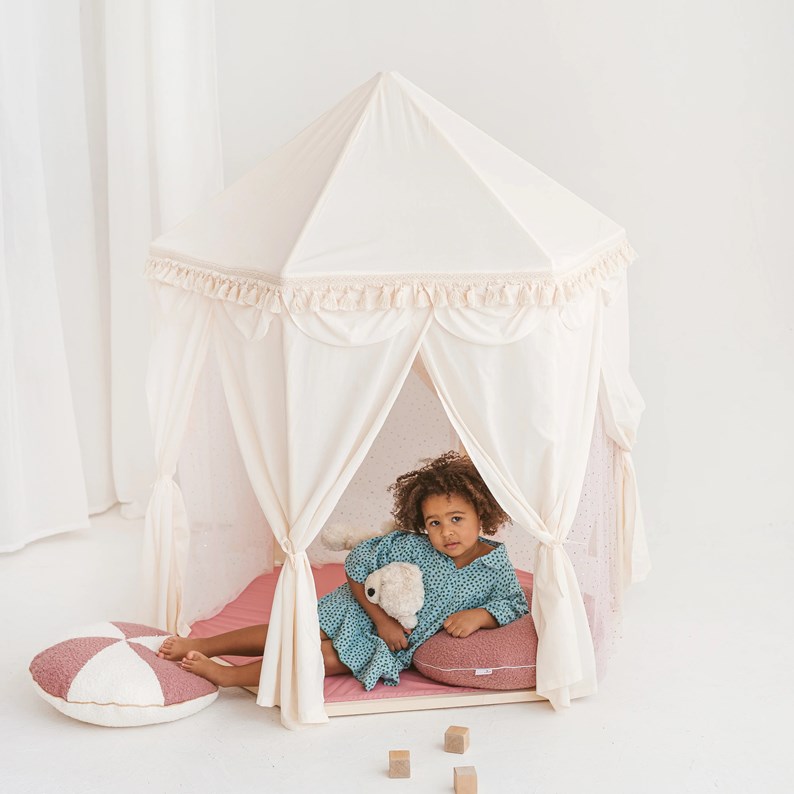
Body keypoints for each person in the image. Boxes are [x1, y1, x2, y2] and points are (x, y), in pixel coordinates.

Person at [157, 451, 529, 690]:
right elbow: (357, 563)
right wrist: (381, 619)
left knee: (321, 659)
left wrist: (480, 616)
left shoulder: (495, 565)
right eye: (434, 522)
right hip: (357, 611)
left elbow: (514, 603)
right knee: (291, 632)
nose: (446, 532)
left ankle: (229, 676)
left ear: (482, 513)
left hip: (388, 644)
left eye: (456, 519)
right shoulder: (411, 544)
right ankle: (204, 645)